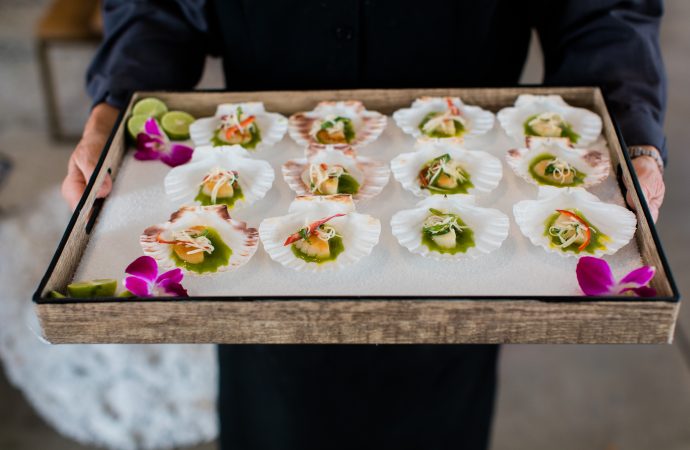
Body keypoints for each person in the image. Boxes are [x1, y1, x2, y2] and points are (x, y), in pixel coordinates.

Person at [61, 1, 667, 449]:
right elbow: (159, 9)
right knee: (276, 416)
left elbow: (603, 10)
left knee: (438, 415)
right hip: (264, 237)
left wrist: (627, 132)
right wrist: (117, 102)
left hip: (458, 267)